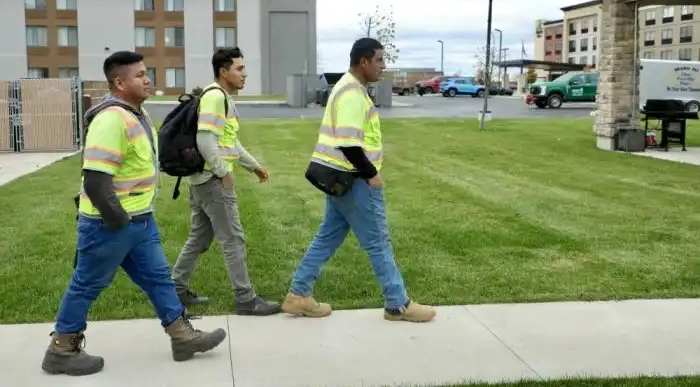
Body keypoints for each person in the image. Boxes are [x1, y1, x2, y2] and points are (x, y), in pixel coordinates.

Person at [42, 51, 227, 376]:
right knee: (87, 283)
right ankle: (61, 348)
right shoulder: (111, 119)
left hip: (140, 221)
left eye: (146, 72)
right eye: (139, 75)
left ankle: (182, 337)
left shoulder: (133, 114)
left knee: (159, 280)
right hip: (109, 224)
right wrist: (119, 223)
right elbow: (97, 181)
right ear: (119, 82)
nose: (147, 79)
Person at [281, 38, 437, 323]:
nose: (383, 66)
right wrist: (371, 174)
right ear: (363, 61)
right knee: (378, 242)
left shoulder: (346, 87)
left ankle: (298, 295)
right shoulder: (352, 93)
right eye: (379, 60)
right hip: (355, 182)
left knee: (326, 239)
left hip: (340, 181)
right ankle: (398, 304)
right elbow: (349, 143)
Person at [170, 47, 281, 316]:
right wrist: (223, 172)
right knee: (233, 239)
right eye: (239, 69)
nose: (245, 74)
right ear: (224, 71)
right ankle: (246, 299)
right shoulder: (215, 98)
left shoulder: (220, 98)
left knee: (199, 238)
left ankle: (175, 290)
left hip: (202, 181)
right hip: (212, 181)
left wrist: (253, 167)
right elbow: (205, 140)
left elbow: (229, 141)